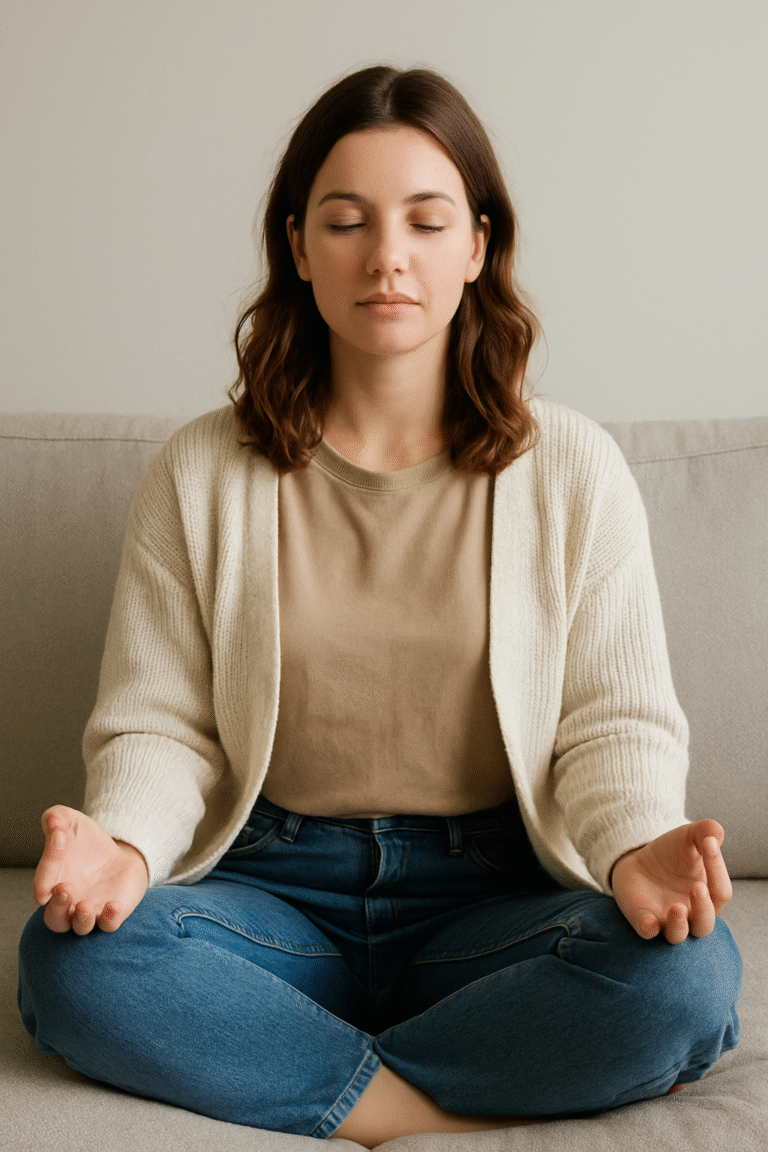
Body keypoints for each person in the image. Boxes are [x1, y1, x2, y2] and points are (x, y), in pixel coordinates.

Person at [17, 65, 741, 1146]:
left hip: (491, 898)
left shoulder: (573, 469)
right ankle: (414, 1105)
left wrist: (635, 848)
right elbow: (160, 725)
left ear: (478, 245)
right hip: (273, 891)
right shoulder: (201, 472)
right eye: (346, 221)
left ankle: (300, 1078)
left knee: (687, 980)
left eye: (426, 221)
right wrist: (123, 847)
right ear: (299, 247)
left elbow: (612, 724)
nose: (387, 256)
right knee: (71, 960)